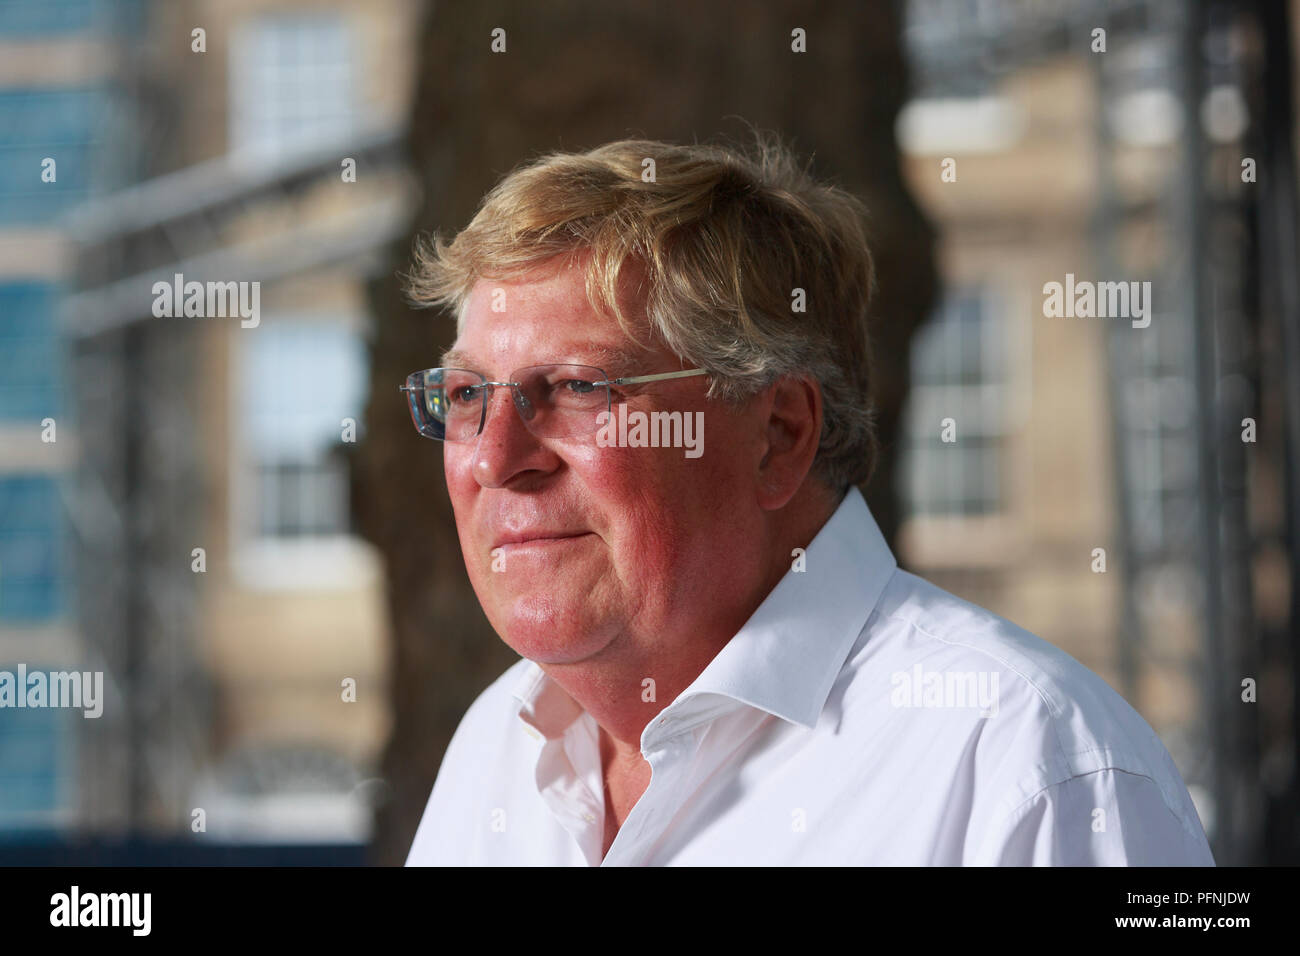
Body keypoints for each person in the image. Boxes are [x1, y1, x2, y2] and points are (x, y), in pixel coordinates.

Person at [399, 134, 1214, 866]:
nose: (496, 458)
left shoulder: (1033, 769)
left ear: (780, 433)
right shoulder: (496, 742)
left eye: (578, 387)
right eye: (468, 394)